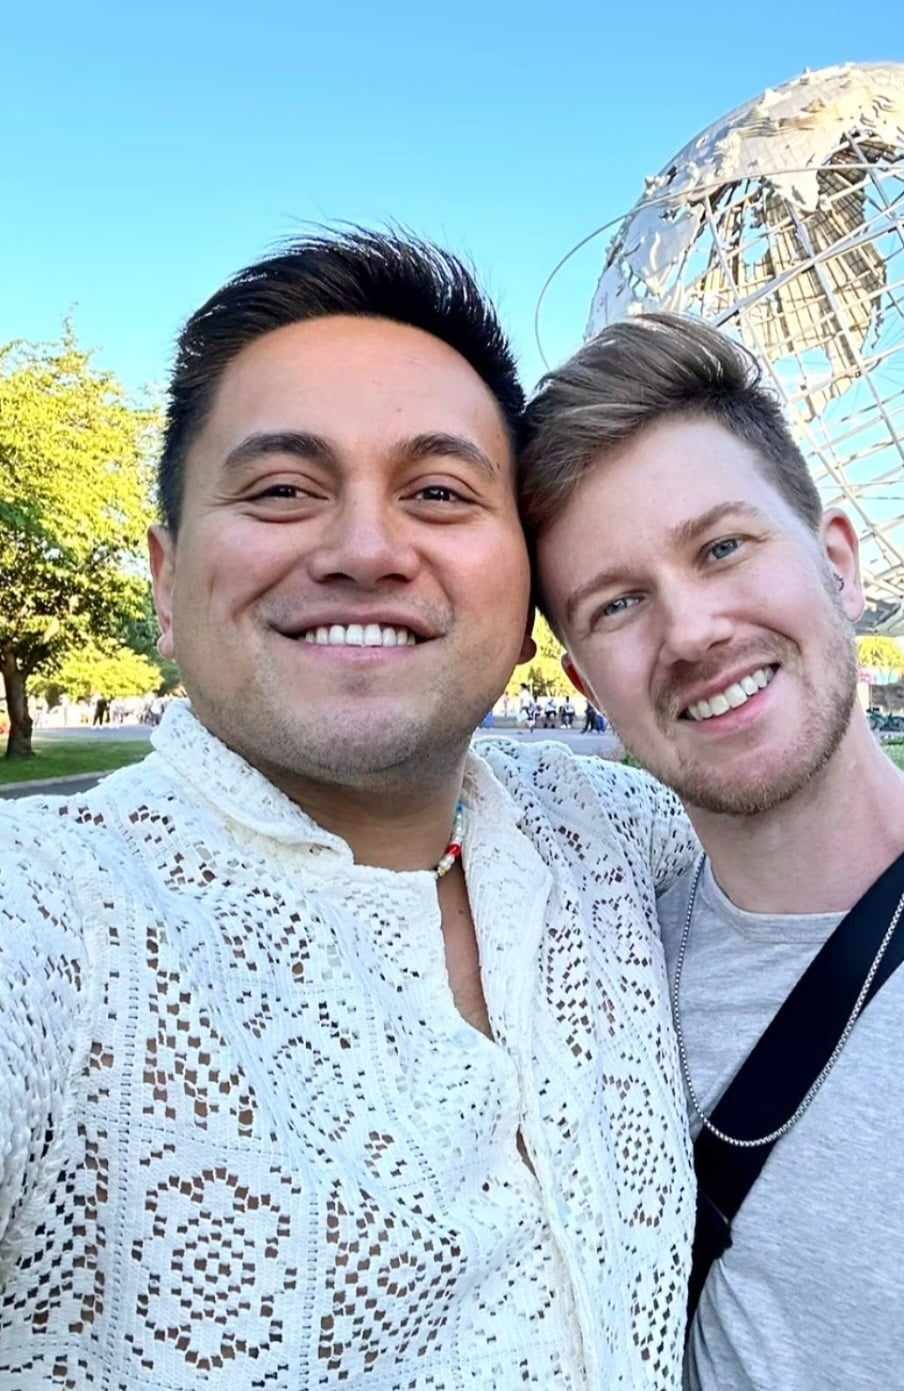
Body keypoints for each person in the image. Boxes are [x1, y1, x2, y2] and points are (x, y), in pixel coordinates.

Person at [0, 234, 697, 1388]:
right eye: (281, 490)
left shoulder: (626, 833)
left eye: (436, 491)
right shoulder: (54, 917)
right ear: (166, 585)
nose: (366, 549)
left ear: (527, 594)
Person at [521, 311, 904, 1390]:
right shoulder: (585, 979)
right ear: (585, 685)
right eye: (616, 603)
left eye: (721, 546)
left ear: (838, 564)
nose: (692, 630)